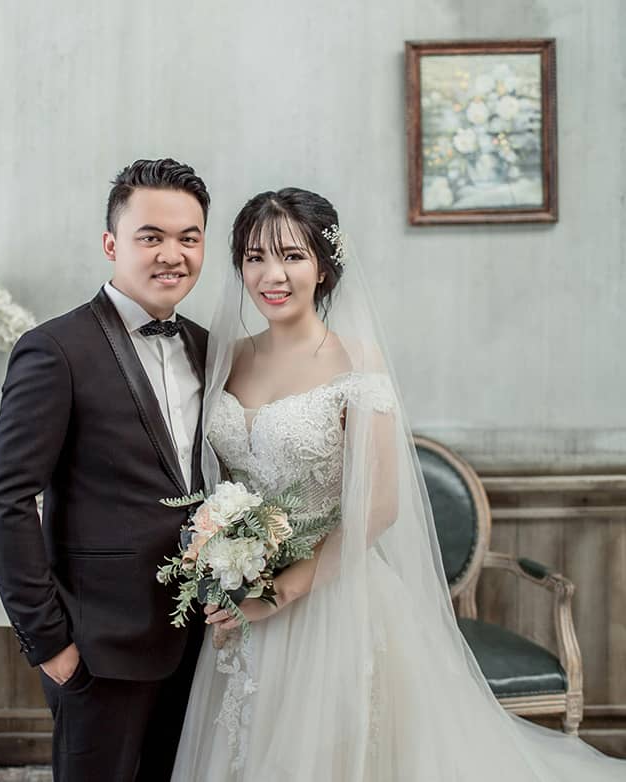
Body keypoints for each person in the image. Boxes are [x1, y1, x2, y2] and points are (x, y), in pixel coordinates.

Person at [171, 187, 625, 780]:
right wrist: (225, 563)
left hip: (333, 598)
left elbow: (380, 505)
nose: (271, 274)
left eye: (291, 255)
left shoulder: (357, 361)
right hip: (242, 597)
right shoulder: (225, 357)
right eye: (255, 257)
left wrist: (280, 591)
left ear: (324, 266)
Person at [0, 158, 209, 782]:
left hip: (199, 639)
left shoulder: (206, 346)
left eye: (189, 238)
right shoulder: (55, 349)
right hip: (98, 648)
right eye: (151, 236)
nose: (172, 254)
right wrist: (51, 644)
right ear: (111, 244)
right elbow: (5, 499)